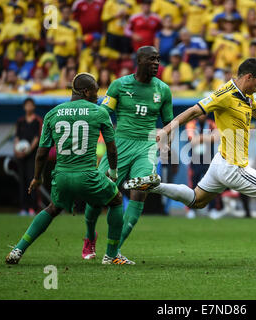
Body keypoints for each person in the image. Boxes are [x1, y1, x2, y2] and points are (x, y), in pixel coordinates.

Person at [125, 58, 256, 257]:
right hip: (233, 167)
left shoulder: (246, 94)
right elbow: (192, 111)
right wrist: (168, 129)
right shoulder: (223, 94)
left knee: (197, 200)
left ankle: (154, 186)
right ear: (248, 77)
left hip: (219, 162)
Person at [6, 73, 130, 265]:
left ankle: (18, 249)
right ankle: (111, 255)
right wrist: (113, 173)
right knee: (116, 200)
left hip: (61, 176)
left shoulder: (52, 113)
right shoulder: (99, 112)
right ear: (86, 91)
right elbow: (111, 149)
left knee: (53, 208)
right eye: (95, 92)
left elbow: (41, 153)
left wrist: (37, 178)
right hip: (88, 175)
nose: (98, 97)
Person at [82, 46, 174, 262]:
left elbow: (169, 122)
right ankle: (89, 235)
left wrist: (166, 141)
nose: (156, 63)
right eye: (152, 59)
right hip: (120, 144)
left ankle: (112, 253)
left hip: (146, 146)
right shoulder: (119, 85)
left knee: (141, 188)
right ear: (139, 60)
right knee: (98, 195)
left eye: (158, 59)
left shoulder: (163, 89)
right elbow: (103, 113)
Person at [185, 113, 221, 219]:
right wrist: (207, 137)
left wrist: (199, 138)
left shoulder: (211, 124)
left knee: (211, 184)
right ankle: (191, 210)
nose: (202, 115)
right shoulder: (191, 124)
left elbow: (216, 138)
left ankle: (212, 209)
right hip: (195, 160)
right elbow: (192, 139)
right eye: (200, 113)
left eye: (204, 113)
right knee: (193, 185)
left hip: (208, 160)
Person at [14, 98, 43, 216]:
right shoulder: (20, 121)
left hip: (32, 156)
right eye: (27, 105)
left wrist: (29, 150)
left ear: (34, 107)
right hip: (21, 156)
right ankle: (23, 208)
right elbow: (16, 137)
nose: (29, 107)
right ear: (24, 107)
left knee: (33, 180)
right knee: (22, 181)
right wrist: (17, 149)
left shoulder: (37, 121)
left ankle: (33, 207)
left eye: (31, 105)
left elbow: (37, 137)